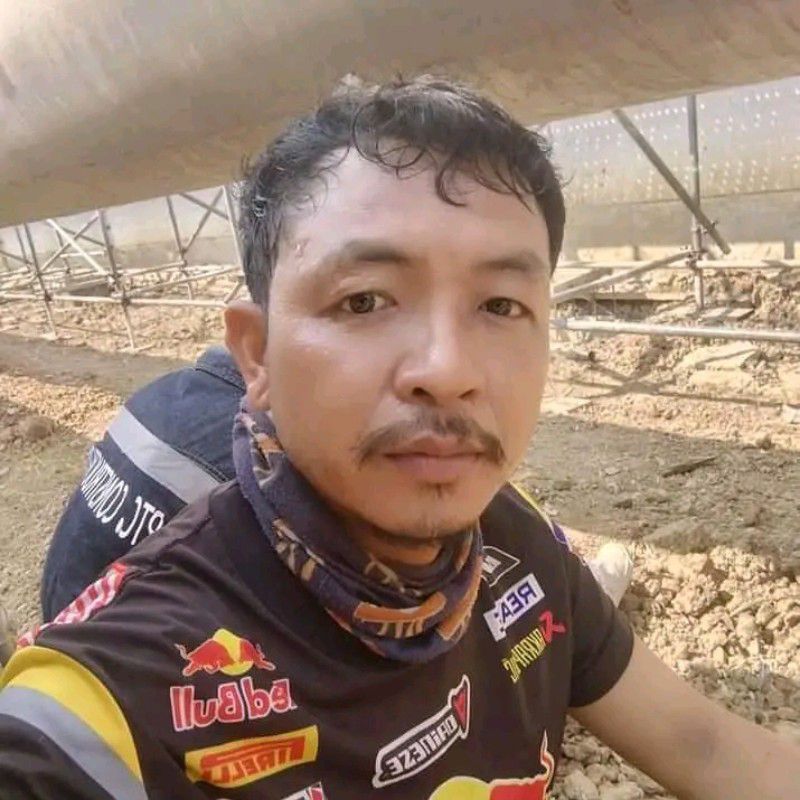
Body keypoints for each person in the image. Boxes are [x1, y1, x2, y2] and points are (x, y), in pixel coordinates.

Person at [0, 76, 795, 800]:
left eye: (501, 305)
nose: (447, 370)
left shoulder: (516, 547)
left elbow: (706, 745)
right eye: (366, 300)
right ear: (256, 354)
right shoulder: (116, 701)